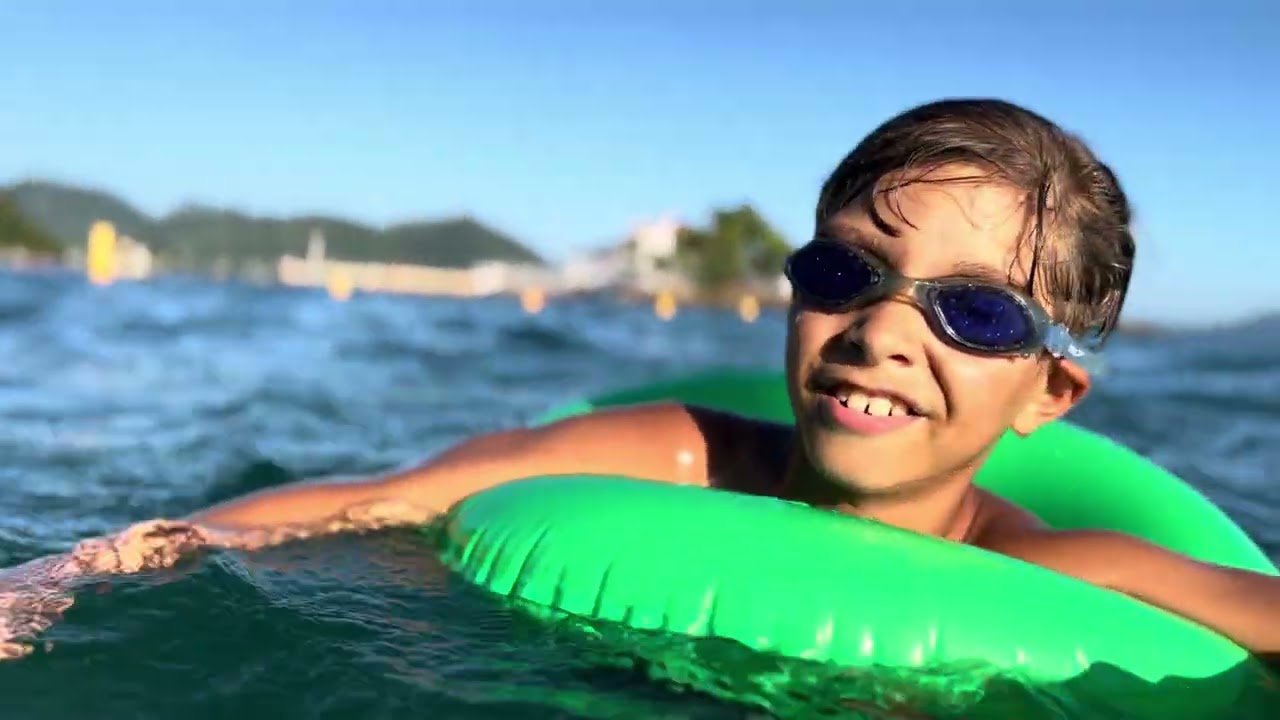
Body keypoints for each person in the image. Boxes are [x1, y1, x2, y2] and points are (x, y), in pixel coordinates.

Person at [2, 98, 1277, 668]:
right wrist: (68, 571)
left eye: (973, 310)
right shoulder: (679, 454)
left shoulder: (1058, 568)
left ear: (1047, 395)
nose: (882, 332)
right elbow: (382, 498)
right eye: (845, 271)